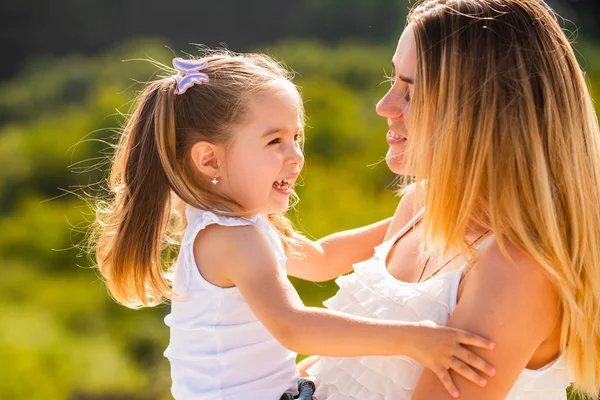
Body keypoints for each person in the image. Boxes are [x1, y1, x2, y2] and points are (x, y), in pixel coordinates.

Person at [90, 52, 497, 400]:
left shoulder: (241, 227)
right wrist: (415, 339)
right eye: (274, 142)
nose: (296, 156)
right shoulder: (234, 240)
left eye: (296, 137)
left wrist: (425, 214)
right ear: (210, 160)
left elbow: (322, 260)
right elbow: (294, 327)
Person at [295, 0, 600, 399]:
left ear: (484, 112)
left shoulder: (518, 268)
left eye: (412, 91)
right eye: (394, 82)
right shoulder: (422, 206)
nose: (384, 106)